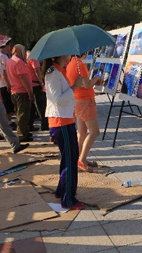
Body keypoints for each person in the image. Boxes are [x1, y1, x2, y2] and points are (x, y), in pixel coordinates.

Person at [42, 54, 85, 210]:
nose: (70, 56)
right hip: (61, 123)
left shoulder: (60, 70)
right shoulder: (53, 73)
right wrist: (75, 86)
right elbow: (57, 100)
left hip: (66, 120)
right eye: (68, 53)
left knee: (69, 157)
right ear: (59, 55)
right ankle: (68, 199)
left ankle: (62, 190)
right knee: (70, 161)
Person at [66, 55, 103, 172]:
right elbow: (87, 85)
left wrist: (92, 82)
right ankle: (82, 159)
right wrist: (96, 78)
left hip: (78, 100)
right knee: (94, 131)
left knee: (81, 132)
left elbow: (82, 83)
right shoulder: (79, 64)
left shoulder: (71, 63)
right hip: (86, 101)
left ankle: (79, 158)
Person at [6, 44, 34, 142]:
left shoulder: (10, 61)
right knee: (23, 113)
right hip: (22, 91)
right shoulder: (19, 62)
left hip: (15, 90)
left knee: (20, 113)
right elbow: (23, 77)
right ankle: (22, 134)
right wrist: (29, 91)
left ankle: (24, 131)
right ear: (18, 50)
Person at [26, 49, 48, 131]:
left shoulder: (25, 56)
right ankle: (44, 124)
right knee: (41, 106)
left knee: (31, 107)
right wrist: (42, 83)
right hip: (36, 84)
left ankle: (30, 125)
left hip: (29, 83)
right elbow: (37, 70)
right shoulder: (33, 56)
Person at [0, 42, 15, 129]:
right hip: (3, 83)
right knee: (6, 103)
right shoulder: (2, 56)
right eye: (9, 46)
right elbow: (3, 71)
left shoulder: (2, 55)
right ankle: (8, 121)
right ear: (5, 46)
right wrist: (7, 83)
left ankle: (8, 121)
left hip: (3, 82)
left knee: (7, 103)